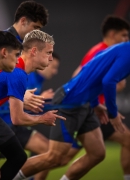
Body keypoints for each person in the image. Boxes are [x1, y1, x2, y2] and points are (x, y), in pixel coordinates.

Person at [13, 40, 130, 180]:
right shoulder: (125, 53)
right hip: (69, 102)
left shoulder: (118, 50)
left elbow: (91, 76)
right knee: (54, 157)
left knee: (97, 153)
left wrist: (94, 103)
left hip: (84, 104)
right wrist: (113, 113)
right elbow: (108, 81)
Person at [0, 30, 65, 180]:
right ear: (34, 51)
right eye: (48, 53)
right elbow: (18, 119)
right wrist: (42, 119)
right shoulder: (17, 73)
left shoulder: (12, 68)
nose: (51, 58)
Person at [59, 15, 130, 180]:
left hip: (92, 108)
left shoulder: (103, 51)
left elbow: (80, 74)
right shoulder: (101, 51)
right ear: (112, 34)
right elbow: (80, 77)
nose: (126, 40)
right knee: (58, 157)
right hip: (89, 110)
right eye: (124, 35)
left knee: (63, 157)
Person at [0, 52, 60, 180]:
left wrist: (42, 101)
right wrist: (40, 99)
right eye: (52, 66)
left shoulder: (37, 79)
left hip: (17, 125)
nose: (55, 71)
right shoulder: (24, 75)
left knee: (49, 153)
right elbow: (12, 101)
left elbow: (26, 106)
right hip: (4, 125)